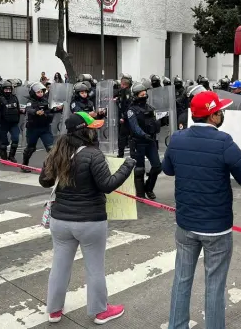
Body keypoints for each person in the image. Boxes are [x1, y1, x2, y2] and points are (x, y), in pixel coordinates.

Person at [163, 90, 241, 329]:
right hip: (216, 228)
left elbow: (168, 170)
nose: (222, 114)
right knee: (215, 285)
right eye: (219, 110)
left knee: (181, 280)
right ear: (212, 116)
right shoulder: (224, 141)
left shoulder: (178, 138)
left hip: (186, 223)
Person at [39, 112, 135, 324]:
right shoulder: (93, 154)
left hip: (60, 221)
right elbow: (107, 185)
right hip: (90, 221)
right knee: (94, 268)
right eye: (93, 128)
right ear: (86, 131)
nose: (96, 131)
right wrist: (127, 166)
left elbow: (44, 181)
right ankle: (100, 311)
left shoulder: (57, 151)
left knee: (60, 265)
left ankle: (54, 310)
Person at [127, 82, 161, 199]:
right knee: (139, 169)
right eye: (141, 94)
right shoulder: (131, 110)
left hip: (150, 141)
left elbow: (155, 123)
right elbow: (134, 126)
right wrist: (143, 134)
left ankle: (149, 188)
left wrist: (161, 123)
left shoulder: (151, 108)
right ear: (135, 96)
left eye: (145, 94)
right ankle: (140, 194)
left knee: (157, 166)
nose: (144, 96)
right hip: (138, 142)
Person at [22, 82, 61, 172]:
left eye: (42, 92)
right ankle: (24, 164)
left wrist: (57, 108)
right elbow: (29, 109)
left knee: (51, 148)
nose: (40, 93)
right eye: (38, 92)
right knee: (30, 148)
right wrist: (36, 112)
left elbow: (50, 110)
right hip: (33, 129)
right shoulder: (30, 101)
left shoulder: (46, 101)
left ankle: (54, 167)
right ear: (33, 93)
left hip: (45, 128)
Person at [0, 80, 20, 163]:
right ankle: (4, 157)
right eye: (6, 90)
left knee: (16, 139)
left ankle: (11, 156)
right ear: (2, 90)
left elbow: (18, 109)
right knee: (3, 141)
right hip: (3, 123)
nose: (8, 91)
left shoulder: (14, 97)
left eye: (9, 90)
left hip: (13, 123)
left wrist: (17, 120)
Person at [116, 74, 133, 158]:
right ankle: (121, 153)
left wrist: (124, 117)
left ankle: (121, 154)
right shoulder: (123, 91)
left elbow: (128, 106)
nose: (121, 85)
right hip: (125, 117)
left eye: (122, 84)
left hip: (126, 118)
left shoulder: (127, 92)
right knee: (125, 137)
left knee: (123, 137)